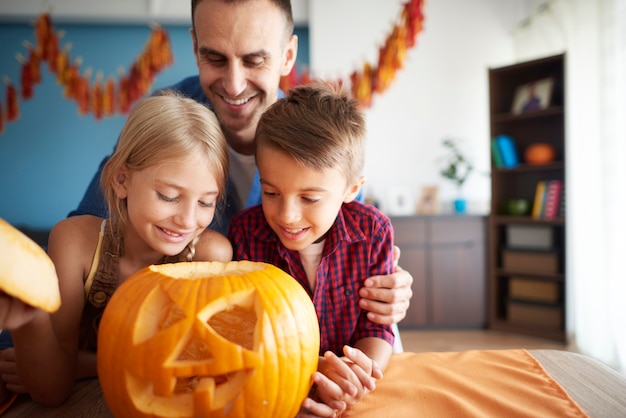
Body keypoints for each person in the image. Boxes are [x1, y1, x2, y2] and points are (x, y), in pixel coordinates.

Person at [68, 0, 413, 328]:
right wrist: (20, 347)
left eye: (254, 61)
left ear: (287, 55)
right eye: (215, 58)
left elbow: (350, 241)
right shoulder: (167, 122)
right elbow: (91, 240)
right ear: (195, 47)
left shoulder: (319, 135)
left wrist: (388, 287)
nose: (234, 85)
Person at [0, 91, 233, 407]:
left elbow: (197, 367)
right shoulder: (74, 242)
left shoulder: (211, 257)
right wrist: (31, 323)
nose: (188, 220)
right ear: (122, 180)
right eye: (168, 196)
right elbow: (52, 388)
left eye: (206, 202)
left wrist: (82, 365)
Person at [228, 82, 394, 417]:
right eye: (271, 192)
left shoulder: (373, 231)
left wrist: (359, 372)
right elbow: (241, 331)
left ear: (352, 189)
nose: (286, 215)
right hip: (274, 384)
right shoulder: (245, 233)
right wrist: (306, 372)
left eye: (309, 198)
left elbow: (377, 326)